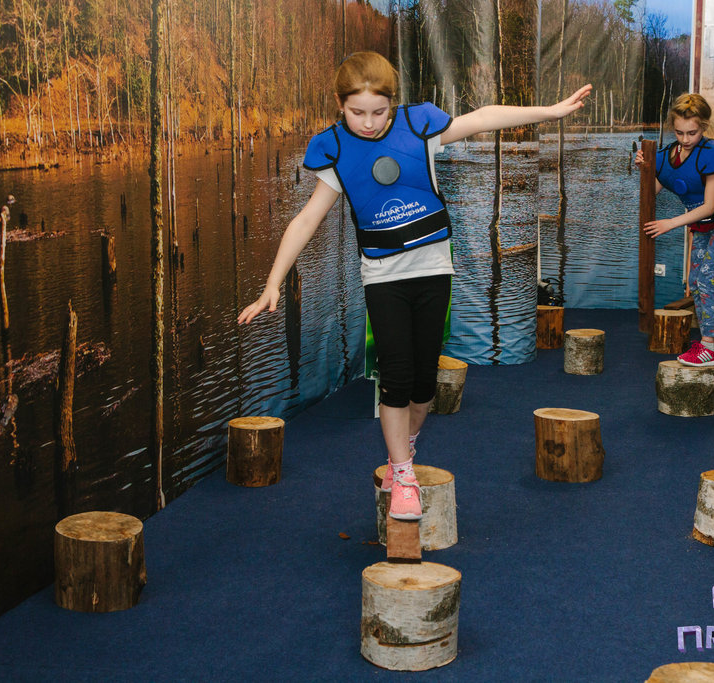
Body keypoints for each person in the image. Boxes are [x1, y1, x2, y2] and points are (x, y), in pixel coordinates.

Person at [238, 52, 591, 520]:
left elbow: (483, 117)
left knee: (424, 385)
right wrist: (272, 283)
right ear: (340, 105)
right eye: (357, 112)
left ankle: (402, 449)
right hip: (384, 276)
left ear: (393, 103)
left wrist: (550, 112)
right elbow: (305, 220)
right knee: (396, 376)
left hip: (433, 272)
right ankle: (403, 473)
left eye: (378, 111)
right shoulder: (334, 149)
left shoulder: (418, 126)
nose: (368, 123)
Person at [635, 93, 714, 367]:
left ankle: (710, 347)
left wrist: (670, 223)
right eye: (679, 132)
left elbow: (709, 206)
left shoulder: (713, 154)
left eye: (692, 133)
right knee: (694, 281)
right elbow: (651, 193)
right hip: (700, 224)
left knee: (706, 279)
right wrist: (644, 169)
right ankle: (706, 341)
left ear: (704, 127)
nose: (685, 139)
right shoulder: (666, 157)